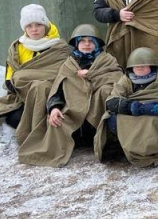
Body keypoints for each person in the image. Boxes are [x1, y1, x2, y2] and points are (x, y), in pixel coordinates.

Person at [17, 24, 122, 167]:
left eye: (90, 41)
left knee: (105, 90)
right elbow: (58, 88)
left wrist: (90, 75)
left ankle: (108, 143)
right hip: (74, 117)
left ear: (96, 44)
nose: (86, 44)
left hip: (96, 117)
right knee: (57, 122)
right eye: (82, 41)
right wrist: (54, 108)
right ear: (77, 43)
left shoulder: (107, 60)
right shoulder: (69, 64)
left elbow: (117, 81)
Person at [0, 4, 70, 143]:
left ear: (45, 25)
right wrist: (10, 80)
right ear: (24, 28)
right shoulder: (18, 46)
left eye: (38, 25)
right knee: (14, 119)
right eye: (29, 26)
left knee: (41, 88)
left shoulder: (58, 46)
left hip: (50, 94)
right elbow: (12, 66)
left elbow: (59, 73)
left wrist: (22, 77)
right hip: (23, 94)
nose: (34, 29)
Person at [95, 47, 158, 167]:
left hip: (151, 118)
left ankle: (150, 150)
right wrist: (135, 107)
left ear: (152, 66)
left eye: (144, 65)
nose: (140, 68)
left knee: (154, 121)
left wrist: (150, 109)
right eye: (136, 66)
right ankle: (124, 148)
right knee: (111, 118)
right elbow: (111, 101)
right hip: (131, 114)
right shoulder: (125, 81)